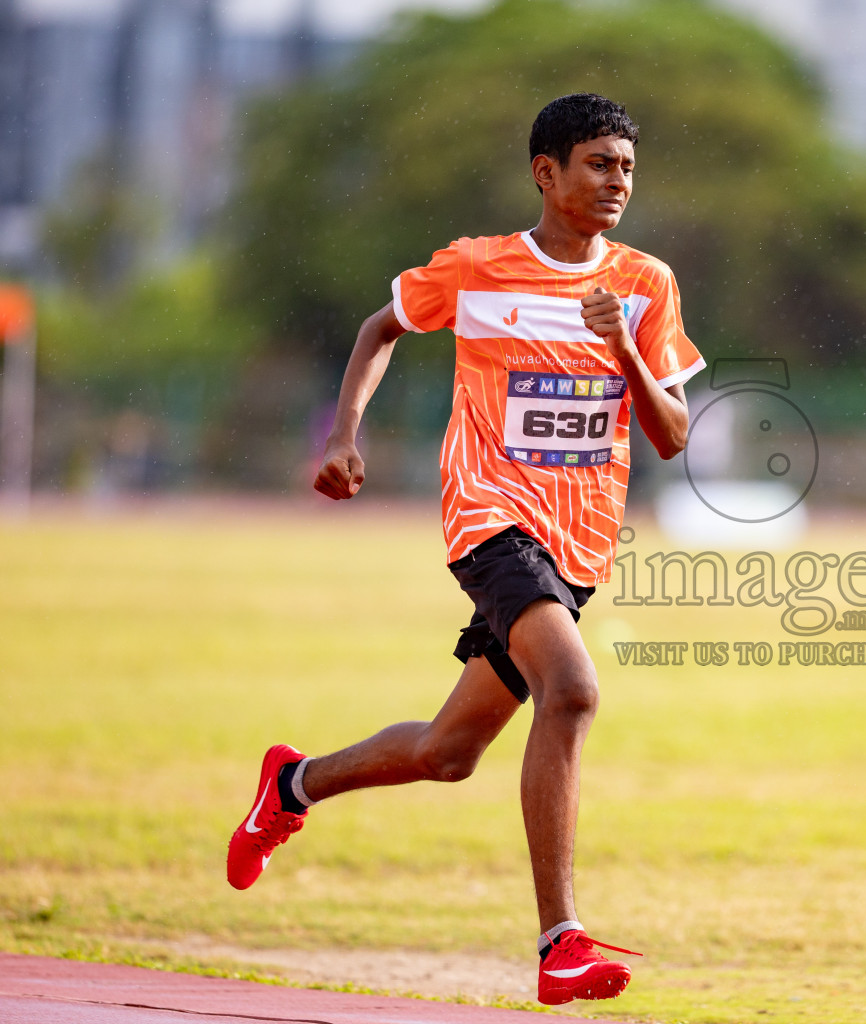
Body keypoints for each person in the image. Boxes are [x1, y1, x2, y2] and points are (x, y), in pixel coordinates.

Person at [224, 93, 704, 1006]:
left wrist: (627, 353)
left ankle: (291, 784)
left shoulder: (646, 282)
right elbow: (380, 329)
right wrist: (342, 435)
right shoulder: (478, 268)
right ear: (546, 172)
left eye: (628, 169)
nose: (617, 183)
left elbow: (674, 434)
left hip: (582, 541)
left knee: (450, 752)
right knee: (573, 690)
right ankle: (560, 940)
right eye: (599, 164)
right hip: (489, 519)